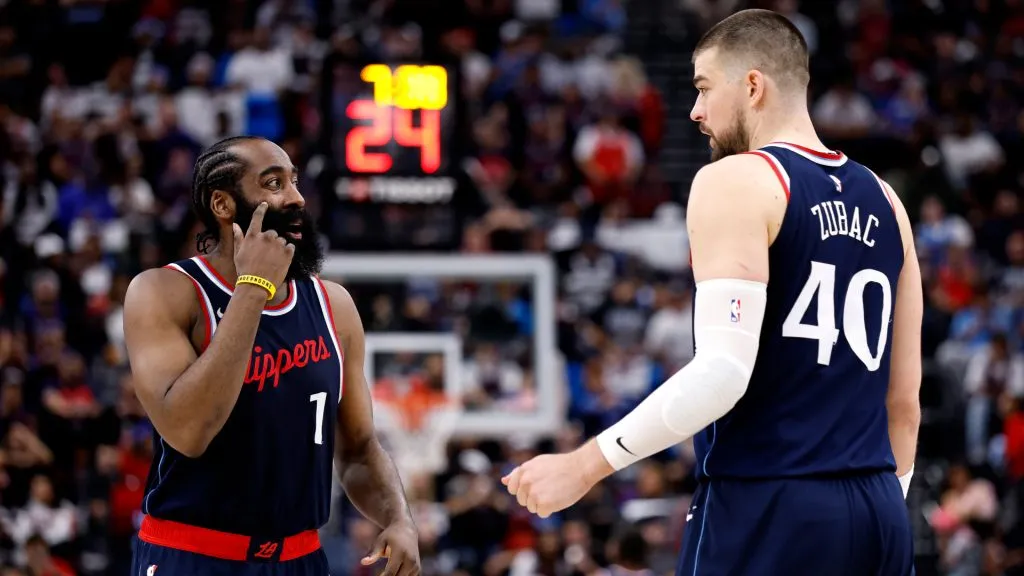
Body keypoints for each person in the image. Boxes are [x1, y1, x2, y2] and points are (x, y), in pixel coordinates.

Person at [502, 9, 922, 575]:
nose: (695, 112)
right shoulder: (889, 202)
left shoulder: (738, 178)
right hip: (879, 509)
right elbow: (903, 404)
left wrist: (585, 465)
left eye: (703, 88)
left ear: (752, 85)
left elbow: (724, 371)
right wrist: (884, 505)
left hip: (770, 501)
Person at [123, 136, 421, 576]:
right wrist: (252, 290)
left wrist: (400, 519)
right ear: (223, 205)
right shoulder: (164, 292)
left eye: (294, 182)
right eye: (273, 183)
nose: (296, 197)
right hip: (192, 556)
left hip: (299, 559)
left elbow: (358, 450)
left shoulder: (332, 306)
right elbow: (188, 431)